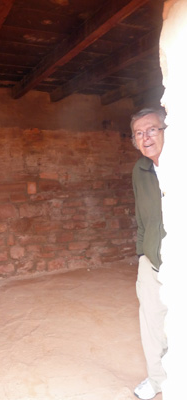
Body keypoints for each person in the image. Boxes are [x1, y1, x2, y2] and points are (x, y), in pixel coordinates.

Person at [130, 108, 168, 400]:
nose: (146, 137)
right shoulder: (139, 170)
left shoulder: (177, 165)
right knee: (152, 324)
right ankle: (157, 381)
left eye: (152, 129)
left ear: (165, 130)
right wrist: (143, 255)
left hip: (177, 260)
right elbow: (141, 218)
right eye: (139, 133)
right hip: (151, 261)